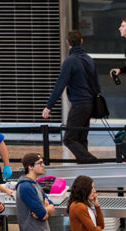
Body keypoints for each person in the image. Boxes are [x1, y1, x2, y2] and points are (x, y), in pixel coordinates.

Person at [42, 30, 99, 164]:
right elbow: (96, 84)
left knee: (69, 138)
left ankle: (91, 161)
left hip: (79, 104)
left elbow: (60, 85)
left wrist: (48, 107)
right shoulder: (89, 59)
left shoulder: (70, 61)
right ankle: (86, 168)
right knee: (81, 138)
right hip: (90, 104)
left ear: (68, 42)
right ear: (81, 41)